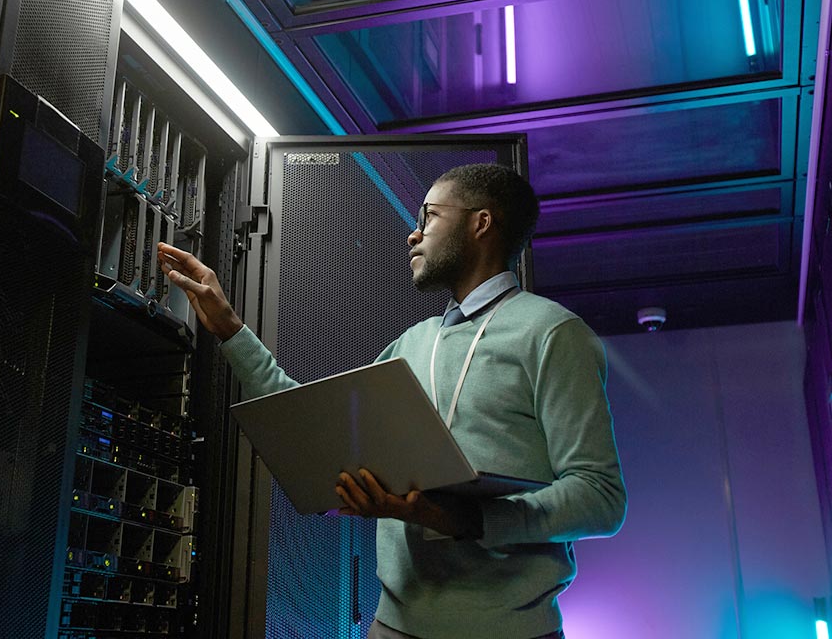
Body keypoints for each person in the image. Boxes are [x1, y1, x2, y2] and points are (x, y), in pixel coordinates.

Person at [157, 163, 626, 639]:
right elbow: (315, 431)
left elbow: (600, 498)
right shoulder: (414, 343)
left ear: (481, 223)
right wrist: (230, 329)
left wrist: (468, 519)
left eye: (429, 217)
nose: (412, 234)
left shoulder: (552, 334)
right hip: (393, 629)